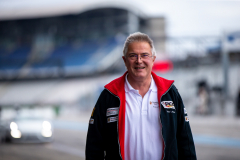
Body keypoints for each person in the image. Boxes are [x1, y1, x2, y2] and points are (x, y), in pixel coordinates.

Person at [85, 32, 197, 160]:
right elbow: (94, 145)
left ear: (153, 59)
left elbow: (185, 141)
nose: (139, 61)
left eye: (145, 55)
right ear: (124, 60)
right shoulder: (109, 94)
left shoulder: (169, 92)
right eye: (133, 56)